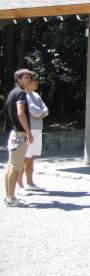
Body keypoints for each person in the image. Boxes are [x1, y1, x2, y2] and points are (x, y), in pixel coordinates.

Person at [3, 69, 34, 207]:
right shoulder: (21, 93)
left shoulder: (12, 93)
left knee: (11, 166)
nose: (29, 80)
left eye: (30, 77)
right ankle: (11, 199)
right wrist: (28, 132)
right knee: (15, 167)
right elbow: (20, 113)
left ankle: (8, 197)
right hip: (20, 134)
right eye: (26, 77)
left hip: (14, 133)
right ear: (18, 79)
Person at [17, 72, 48, 193]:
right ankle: (20, 186)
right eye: (35, 79)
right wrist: (40, 113)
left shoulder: (36, 95)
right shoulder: (23, 95)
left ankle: (30, 183)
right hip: (29, 130)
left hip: (38, 129)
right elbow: (35, 111)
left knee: (31, 157)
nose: (36, 82)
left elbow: (45, 110)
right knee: (24, 158)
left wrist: (41, 113)